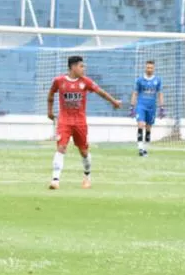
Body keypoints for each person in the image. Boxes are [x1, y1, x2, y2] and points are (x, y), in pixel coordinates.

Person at [47, 56, 122, 189]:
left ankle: (87, 177)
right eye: (81, 66)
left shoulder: (85, 82)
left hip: (80, 122)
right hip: (64, 121)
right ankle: (55, 180)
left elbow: (101, 92)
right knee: (61, 147)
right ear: (73, 67)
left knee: (84, 151)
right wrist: (50, 111)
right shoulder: (59, 81)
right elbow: (51, 94)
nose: (84, 69)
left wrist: (114, 101)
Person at [130, 60, 165, 157]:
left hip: (152, 107)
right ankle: (140, 148)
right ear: (145, 68)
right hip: (141, 106)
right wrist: (132, 107)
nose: (149, 69)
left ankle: (145, 148)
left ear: (154, 69)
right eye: (148, 67)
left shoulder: (157, 80)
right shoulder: (140, 80)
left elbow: (160, 94)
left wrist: (162, 107)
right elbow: (135, 93)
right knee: (141, 124)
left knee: (148, 127)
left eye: (151, 68)